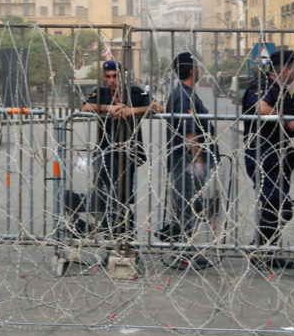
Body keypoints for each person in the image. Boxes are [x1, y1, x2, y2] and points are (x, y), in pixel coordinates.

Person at [81, 60, 162, 242]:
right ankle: (110, 236)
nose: (111, 80)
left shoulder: (135, 92)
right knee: (105, 196)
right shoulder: (101, 94)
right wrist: (108, 108)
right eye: (108, 77)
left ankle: (125, 236)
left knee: (123, 198)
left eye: (115, 76)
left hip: (129, 152)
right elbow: (86, 106)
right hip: (105, 152)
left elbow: (157, 107)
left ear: (122, 76)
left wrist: (131, 111)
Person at [240, 49, 294, 268]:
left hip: (278, 155)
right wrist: (286, 121)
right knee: (272, 203)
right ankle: (261, 252)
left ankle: (268, 250)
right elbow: (261, 108)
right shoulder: (262, 85)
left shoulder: (279, 88)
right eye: (293, 67)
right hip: (263, 154)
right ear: (285, 69)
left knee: (277, 205)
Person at [160, 52, 216, 260]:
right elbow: (189, 133)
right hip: (185, 161)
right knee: (185, 204)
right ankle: (183, 251)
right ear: (192, 70)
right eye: (197, 66)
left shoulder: (185, 93)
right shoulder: (184, 96)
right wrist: (199, 161)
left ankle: (183, 247)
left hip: (183, 160)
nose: (200, 69)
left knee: (186, 204)